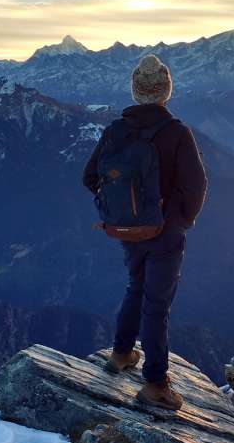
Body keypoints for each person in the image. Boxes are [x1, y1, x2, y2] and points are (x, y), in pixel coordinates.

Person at [82, 54, 208, 410]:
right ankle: (155, 384)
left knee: (135, 286)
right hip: (165, 231)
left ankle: (122, 354)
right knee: (157, 306)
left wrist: (118, 209)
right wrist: (182, 219)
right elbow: (196, 186)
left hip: (126, 228)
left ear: (135, 92)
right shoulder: (176, 132)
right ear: (166, 91)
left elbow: (89, 177)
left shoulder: (115, 130)